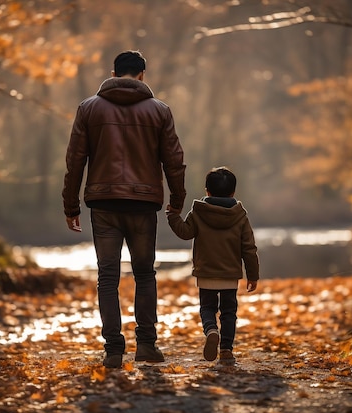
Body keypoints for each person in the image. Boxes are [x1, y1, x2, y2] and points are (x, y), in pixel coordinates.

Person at [62, 50, 186, 369]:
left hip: (103, 203)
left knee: (107, 275)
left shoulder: (88, 109)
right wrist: (177, 200)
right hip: (143, 203)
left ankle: (113, 350)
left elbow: (75, 159)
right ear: (142, 75)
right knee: (145, 273)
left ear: (114, 73)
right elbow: (174, 160)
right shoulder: (159, 111)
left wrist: (70, 204)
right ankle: (146, 344)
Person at [166, 167, 259, 365]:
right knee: (228, 313)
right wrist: (253, 275)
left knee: (207, 308)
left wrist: (173, 216)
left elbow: (184, 232)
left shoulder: (199, 212)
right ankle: (226, 349)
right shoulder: (240, 215)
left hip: (206, 272)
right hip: (230, 275)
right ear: (233, 192)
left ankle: (211, 330)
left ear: (207, 190)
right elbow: (249, 248)